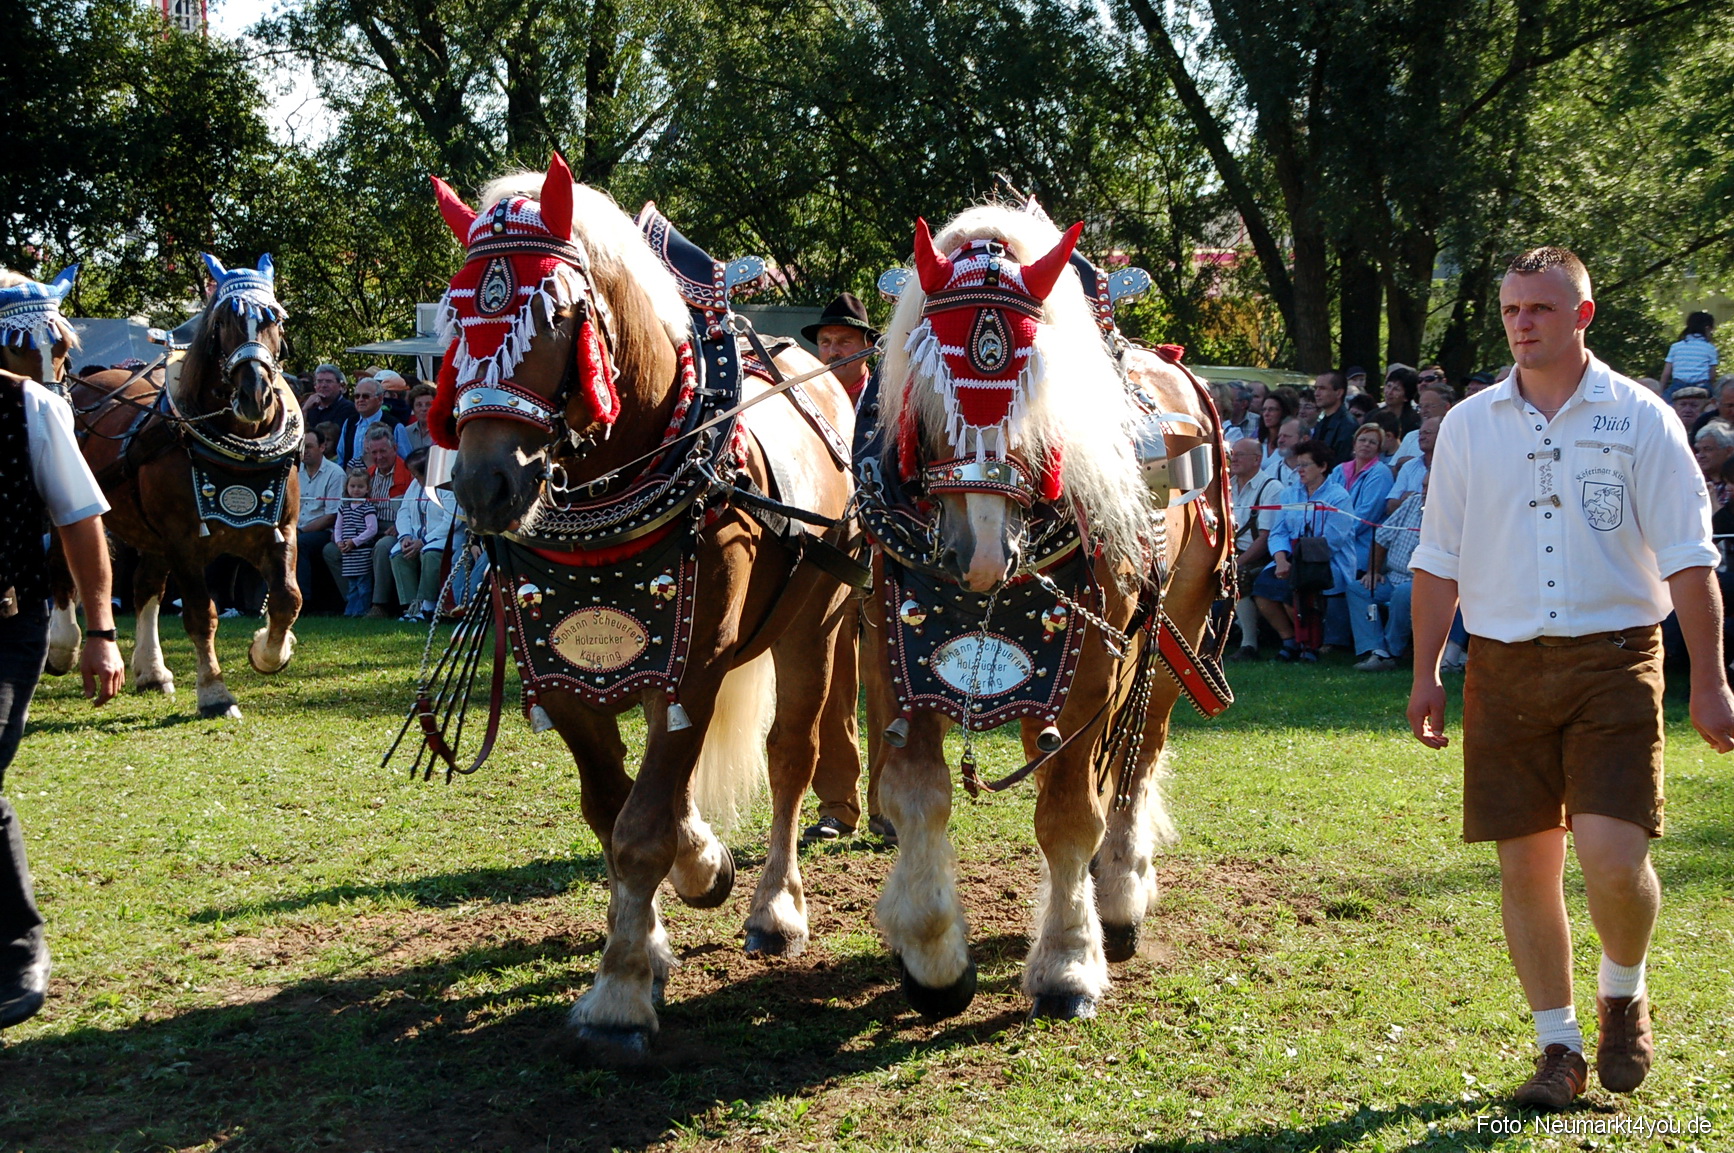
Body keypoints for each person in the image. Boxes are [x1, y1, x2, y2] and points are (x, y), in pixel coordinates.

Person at [1407, 246, 1734, 1110]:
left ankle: (1622, 989)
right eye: (1513, 309)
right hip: (1504, 668)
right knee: (1526, 870)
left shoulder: (1643, 417)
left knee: (1612, 859)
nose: (1522, 323)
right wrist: (1426, 671)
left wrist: (1711, 682)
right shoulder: (1471, 425)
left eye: (1541, 309)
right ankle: (1558, 1047)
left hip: (1616, 660)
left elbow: (1692, 559)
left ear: (1582, 314)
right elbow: (1437, 558)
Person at [0, 368, 125, 1030]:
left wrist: (100, 631)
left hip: (7, 618)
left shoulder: (29, 407)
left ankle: (19, 949)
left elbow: (80, 521)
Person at [1251, 439, 1354, 662]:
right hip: (1290, 557)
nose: (1300, 470)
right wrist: (1280, 560)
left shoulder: (1338, 497)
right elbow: (1278, 533)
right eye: (1298, 465)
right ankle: (1289, 640)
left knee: (1295, 588)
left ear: (1323, 467)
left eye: (1306, 465)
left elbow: (1332, 541)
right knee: (1261, 588)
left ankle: (1308, 643)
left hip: (1324, 561)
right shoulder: (1289, 494)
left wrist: (1295, 562)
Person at [1349, 474, 1426, 671]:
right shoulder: (1413, 502)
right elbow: (1382, 536)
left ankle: (1392, 652)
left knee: (1403, 594)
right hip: (1394, 577)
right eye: (1423, 485)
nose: (1424, 491)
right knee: (1358, 589)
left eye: (1430, 487)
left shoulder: (1452, 513)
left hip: (1422, 582)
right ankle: (1375, 648)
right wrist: (1373, 571)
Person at [390, 448, 458, 622]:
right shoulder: (414, 485)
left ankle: (427, 606)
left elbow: (453, 520)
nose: (413, 478)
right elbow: (404, 510)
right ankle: (412, 606)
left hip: (446, 538)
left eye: (415, 473)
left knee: (430, 552)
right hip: (416, 537)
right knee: (397, 553)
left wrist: (424, 541)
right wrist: (405, 536)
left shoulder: (447, 485)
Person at [1228, 437, 1280, 659]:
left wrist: (1235, 563)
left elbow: (1265, 538)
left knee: (1237, 575)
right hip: (1229, 553)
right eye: (1232, 454)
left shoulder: (1271, 488)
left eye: (1240, 454)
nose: (1234, 458)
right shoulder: (1227, 485)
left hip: (1261, 557)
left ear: (1257, 459)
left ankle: (1249, 644)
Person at [1331, 423, 1395, 585]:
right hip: (1335, 538)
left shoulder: (1381, 473)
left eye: (1372, 442)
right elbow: (1327, 502)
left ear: (1379, 449)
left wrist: (1335, 536)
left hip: (1362, 544)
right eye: (1362, 440)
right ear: (1354, 444)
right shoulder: (1339, 470)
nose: (1366, 444)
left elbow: (1367, 515)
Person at [295, 430, 345, 612]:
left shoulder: (335, 474)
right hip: (296, 527)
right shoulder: (294, 472)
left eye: (308, 447)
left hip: (324, 531)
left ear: (323, 447)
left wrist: (301, 531)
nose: (304, 451)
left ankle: (304, 602)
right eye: (301, 447)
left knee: (299, 543)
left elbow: (332, 516)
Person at [801, 293, 878, 403]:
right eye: (825, 343)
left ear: (867, 349)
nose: (832, 352)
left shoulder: (888, 402)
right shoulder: (804, 401)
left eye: (844, 342)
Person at [333, 468, 380, 617]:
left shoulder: (368, 507)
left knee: (364, 585)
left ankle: (362, 611)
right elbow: (338, 527)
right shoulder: (343, 508)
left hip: (362, 552)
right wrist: (339, 541)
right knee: (352, 585)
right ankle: (350, 612)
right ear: (347, 487)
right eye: (352, 486)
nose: (356, 490)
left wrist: (355, 541)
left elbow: (372, 529)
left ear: (367, 489)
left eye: (360, 486)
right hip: (348, 554)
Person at [335, 377, 397, 467]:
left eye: (365, 396)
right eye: (357, 396)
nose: (360, 400)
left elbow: (403, 459)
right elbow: (341, 457)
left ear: (380, 399)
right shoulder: (349, 423)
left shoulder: (394, 425)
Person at [1392, 385, 1454, 470]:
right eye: (1420, 407)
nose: (1423, 411)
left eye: (1428, 406)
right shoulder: (1412, 437)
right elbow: (1393, 470)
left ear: (1447, 407)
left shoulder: (1455, 436)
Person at [1387, 416, 1439, 516]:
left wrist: (1411, 498)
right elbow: (1391, 506)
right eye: (1420, 433)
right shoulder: (1409, 466)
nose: (1421, 437)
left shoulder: (1452, 466)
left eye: (1427, 433)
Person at [1658, 311, 1718, 398]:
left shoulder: (1676, 347)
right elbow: (1712, 375)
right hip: (1702, 386)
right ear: (1707, 328)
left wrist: (1661, 391)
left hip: (1678, 386)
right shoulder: (1709, 348)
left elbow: (1666, 373)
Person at [1693, 420, 1734, 511]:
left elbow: (1726, 522)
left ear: (1729, 451)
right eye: (1698, 450)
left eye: (1707, 449)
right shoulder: (1694, 479)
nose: (1700, 456)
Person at [301, 363, 357, 428]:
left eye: (328, 381)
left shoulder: (348, 409)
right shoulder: (310, 407)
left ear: (339, 385)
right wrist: (304, 410)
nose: (323, 385)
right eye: (319, 381)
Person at [394, 384, 436, 459]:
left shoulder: (442, 433)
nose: (424, 409)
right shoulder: (406, 432)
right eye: (419, 405)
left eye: (428, 404)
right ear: (412, 408)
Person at [1256, 389, 1297, 464]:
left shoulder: (1290, 444)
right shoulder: (1258, 442)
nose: (1266, 414)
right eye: (1264, 409)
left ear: (1283, 412)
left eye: (1272, 409)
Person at [1380, 365, 1422, 436]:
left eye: (1396, 389)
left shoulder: (1414, 422)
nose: (1389, 392)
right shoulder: (1372, 415)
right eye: (1388, 386)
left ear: (1406, 397)